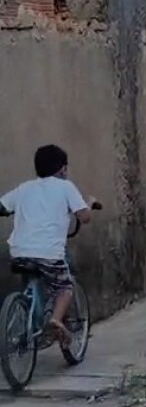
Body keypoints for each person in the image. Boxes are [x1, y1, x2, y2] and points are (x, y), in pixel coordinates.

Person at [0, 145, 97, 341]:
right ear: (62, 169)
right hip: (48, 253)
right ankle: (55, 320)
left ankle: (29, 323)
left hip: (19, 252)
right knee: (65, 286)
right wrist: (90, 204)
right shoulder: (66, 187)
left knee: (31, 276)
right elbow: (84, 216)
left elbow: (2, 207)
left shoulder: (24, 188)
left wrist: (17, 209)